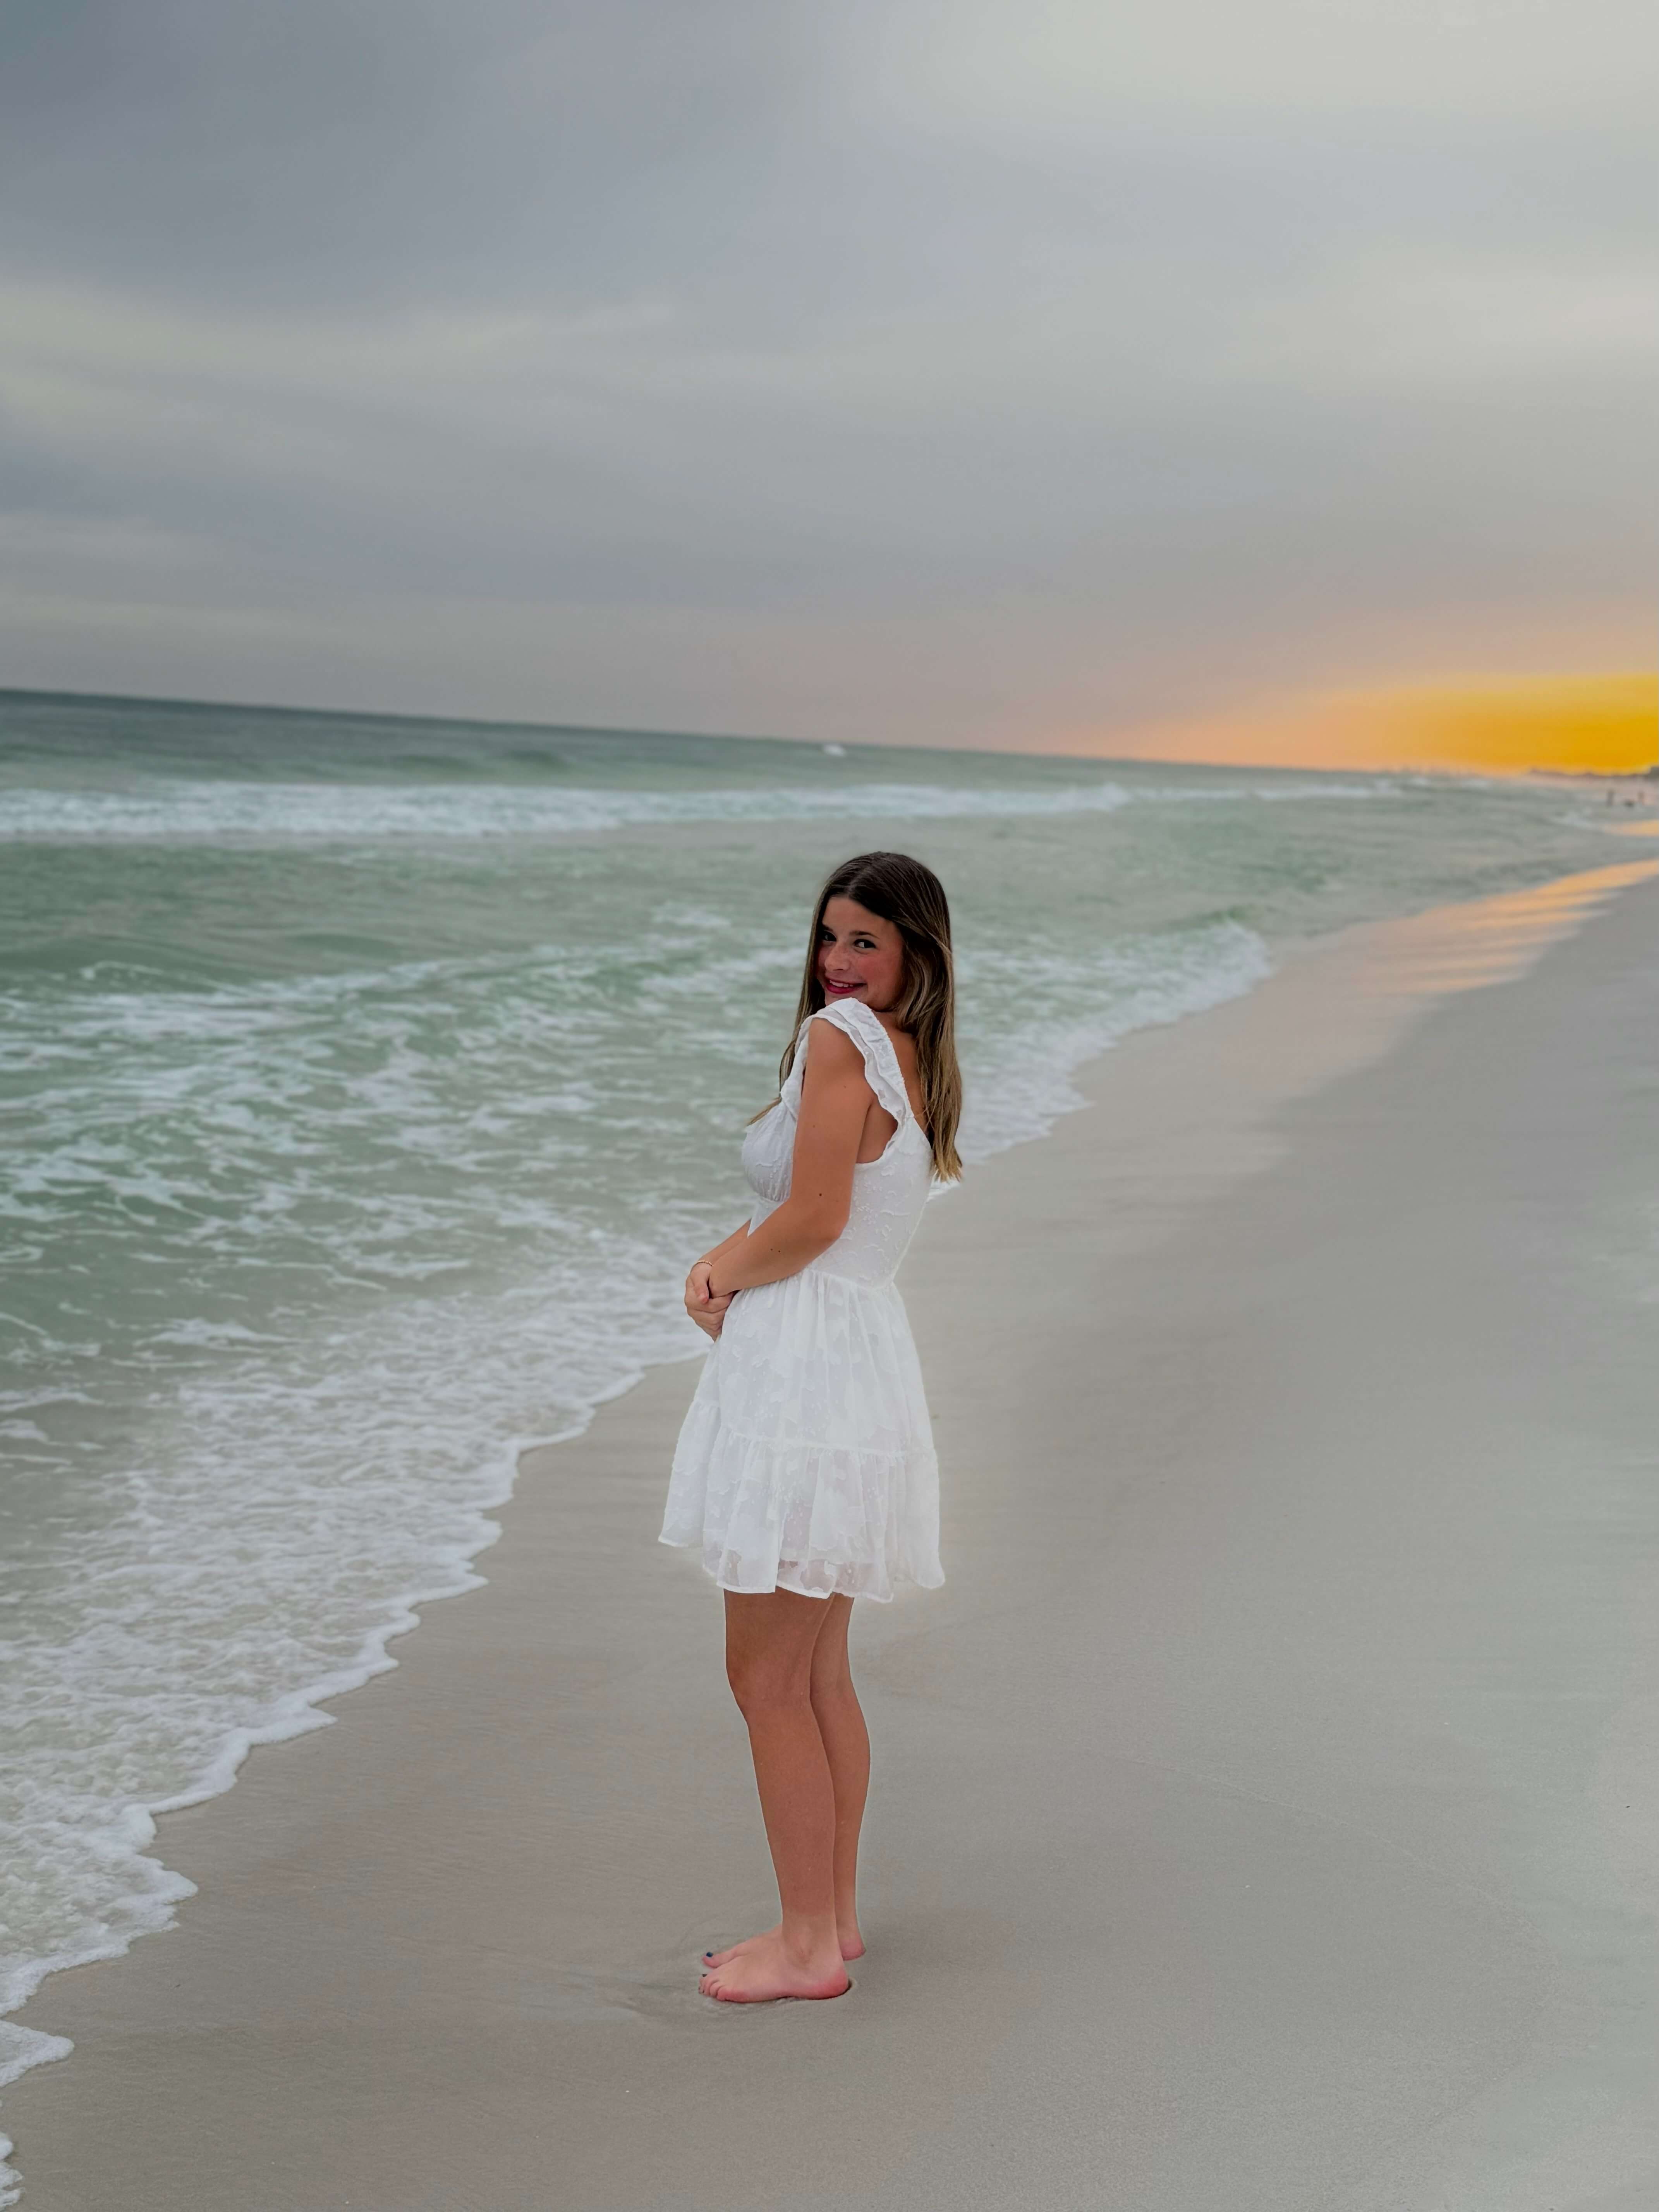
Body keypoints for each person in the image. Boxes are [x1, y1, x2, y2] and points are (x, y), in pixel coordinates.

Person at [659, 850, 963, 2002]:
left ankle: (802, 1951)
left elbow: (817, 1217)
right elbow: (834, 1213)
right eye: (830, 937)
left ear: (916, 952)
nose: (838, 961)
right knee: (819, 1673)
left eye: (865, 941)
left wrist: (718, 1277)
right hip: (854, 1362)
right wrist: (733, 1262)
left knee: (768, 1680)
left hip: (803, 1373)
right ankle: (829, 1920)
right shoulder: (909, 1052)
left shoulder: (841, 1040)